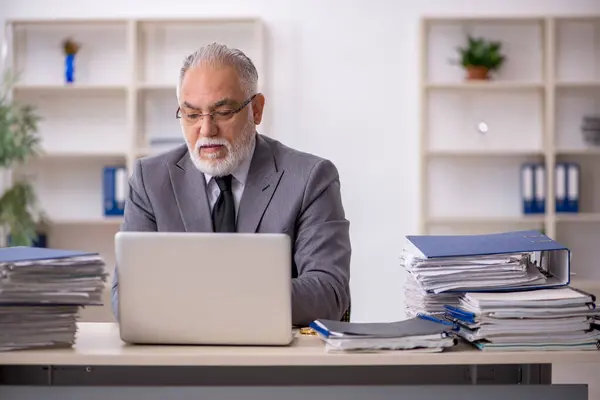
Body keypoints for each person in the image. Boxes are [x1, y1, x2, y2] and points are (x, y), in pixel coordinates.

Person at [111, 42, 351, 327]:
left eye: (223, 112)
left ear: (257, 110)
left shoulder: (311, 178)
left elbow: (328, 294)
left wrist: (204, 299)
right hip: (180, 360)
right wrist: (238, 298)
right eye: (191, 114)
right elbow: (127, 297)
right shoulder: (150, 180)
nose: (206, 129)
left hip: (275, 362)